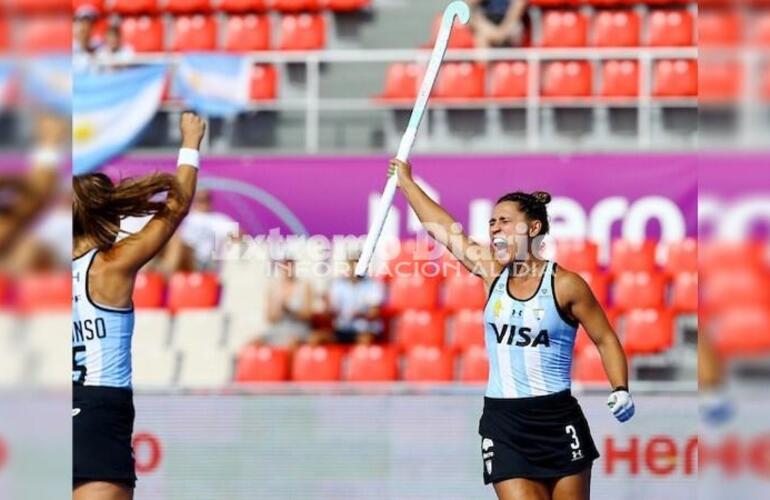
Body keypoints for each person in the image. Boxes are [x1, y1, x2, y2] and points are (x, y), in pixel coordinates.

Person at [387, 158, 634, 500]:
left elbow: (605, 339)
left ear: (532, 228)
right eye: (492, 222)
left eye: (505, 221)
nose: (495, 228)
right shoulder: (491, 272)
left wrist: (620, 387)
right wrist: (407, 184)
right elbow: (443, 229)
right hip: (504, 423)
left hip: (557, 420)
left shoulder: (566, 285)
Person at [72, 112, 206, 500]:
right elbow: (175, 209)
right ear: (105, 217)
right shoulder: (108, 268)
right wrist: (190, 143)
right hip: (99, 412)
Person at [327, 258, 385, 344]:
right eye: (351, 267)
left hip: (365, 329)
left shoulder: (373, 285)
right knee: (320, 339)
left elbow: (374, 313)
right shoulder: (338, 285)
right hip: (342, 328)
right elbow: (331, 310)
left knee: (364, 341)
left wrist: (359, 314)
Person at [264, 259, 319, 348]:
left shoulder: (304, 286)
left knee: (291, 344)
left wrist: (290, 310)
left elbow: (308, 315)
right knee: (253, 343)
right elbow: (269, 318)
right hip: (277, 330)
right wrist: (280, 311)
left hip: (298, 330)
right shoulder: (273, 287)